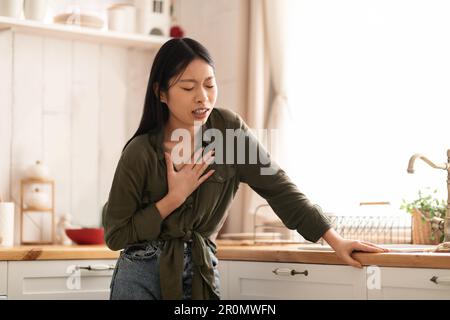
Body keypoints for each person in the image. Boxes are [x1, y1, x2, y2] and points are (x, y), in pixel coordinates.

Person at [102, 37, 388, 300]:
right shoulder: (140, 152)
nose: (202, 97)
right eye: (188, 87)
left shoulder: (229, 133)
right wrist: (172, 199)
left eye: (210, 84)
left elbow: (278, 187)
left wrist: (334, 239)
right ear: (161, 93)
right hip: (141, 277)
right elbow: (116, 236)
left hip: (201, 268)